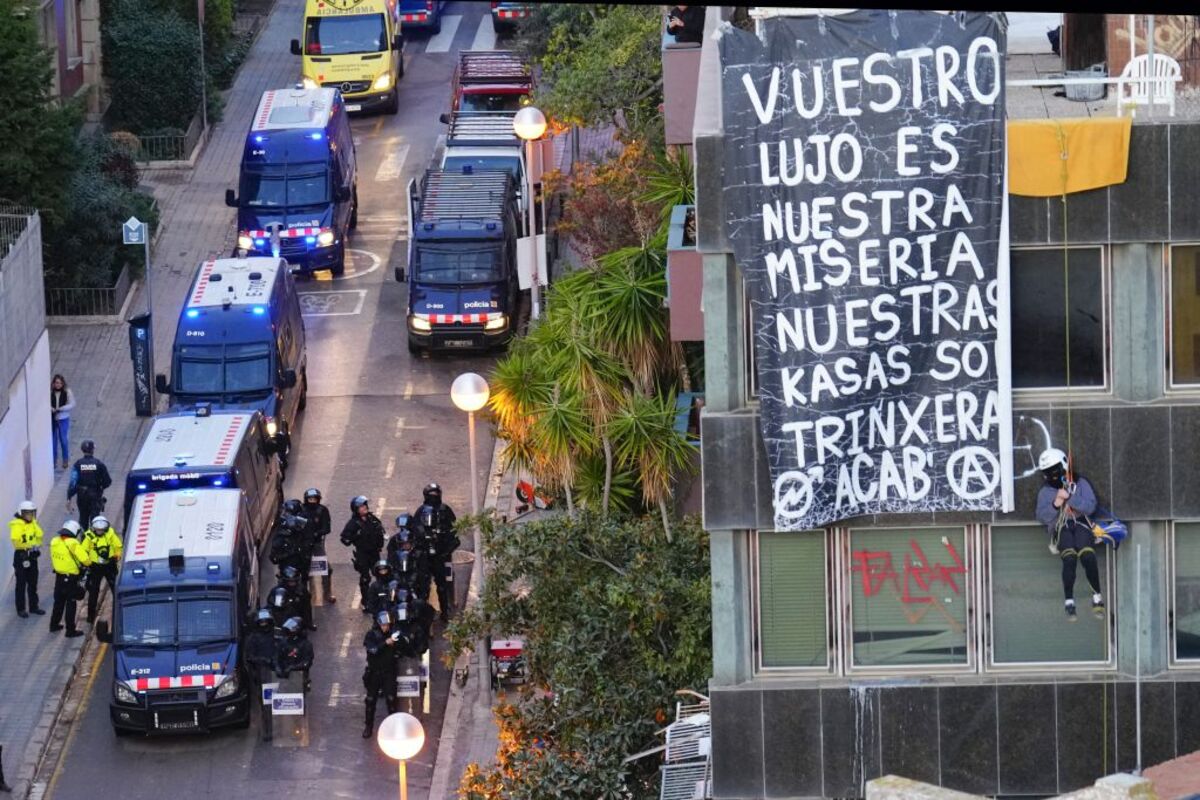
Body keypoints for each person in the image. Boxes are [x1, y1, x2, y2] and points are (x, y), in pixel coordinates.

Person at [1035, 447, 1105, 621]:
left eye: (1055, 471)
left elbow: (1091, 506)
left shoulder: (1080, 483)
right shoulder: (1046, 492)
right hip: (1061, 527)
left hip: (1081, 523)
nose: (1051, 476)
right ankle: (1069, 602)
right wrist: (1056, 503)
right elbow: (1042, 517)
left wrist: (1071, 498)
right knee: (1070, 558)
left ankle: (1097, 597)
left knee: (1087, 555)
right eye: (1047, 473)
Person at [412, 483, 460, 622]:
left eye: (436, 495)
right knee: (423, 586)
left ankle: (445, 611)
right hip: (426, 557)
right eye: (431, 495)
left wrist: (447, 550)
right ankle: (424, 614)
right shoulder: (421, 511)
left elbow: (454, 531)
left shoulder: (445, 510)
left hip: (441, 555)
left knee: (443, 585)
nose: (434, 498)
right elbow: (415, 530)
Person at [362, 609, 404, 738]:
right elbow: (373, 650)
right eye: (383, 625)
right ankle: (369, 726)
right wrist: (385, 644)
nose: (386, 627)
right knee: (370, 700)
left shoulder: (393, 635)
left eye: (387, 625)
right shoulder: (371, 635)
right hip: (374, 672)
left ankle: (393, 726)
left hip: (389, 672)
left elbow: (401, 649)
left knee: (391, 700)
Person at [341, 495, 385, 613]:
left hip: (374, 553)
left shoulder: (371, 518)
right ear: (356, 509)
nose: (364, 508)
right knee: (365, 579)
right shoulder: (353, 523)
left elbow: (380, 529)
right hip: (363, 554)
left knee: (381, 575)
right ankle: (366, 603)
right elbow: (345, 539)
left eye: (365, 505)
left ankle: (382, 599)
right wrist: (355, 537)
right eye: (361, 507)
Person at [49, 519, 92, 637]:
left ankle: (54, 625)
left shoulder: (54, 541)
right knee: (71, 603)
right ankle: (70, 630)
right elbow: (86, 560)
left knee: (58, 602)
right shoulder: (73, 543)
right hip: (71, 578)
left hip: (59, 577)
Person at [244, 608, 278, 742]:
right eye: (261, 623)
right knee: (266, 704)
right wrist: (264, 661)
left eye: (266, 622)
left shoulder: (277, 635)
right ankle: (268, 730)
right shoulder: (253, 639)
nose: (264, 625)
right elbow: (250, 657)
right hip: (262, 674)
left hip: (278, 672)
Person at [81, 515, 122, 625]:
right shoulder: (89, 537)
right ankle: (90, 616)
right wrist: (87, 563)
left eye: (101, 529)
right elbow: (83, 550)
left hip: (110, 565)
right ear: (94, 528)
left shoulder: (110, 534)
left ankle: (121, 609)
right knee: (93, 592)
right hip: (95, 567)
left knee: (116, 588)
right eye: (97, 530)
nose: (99, 531)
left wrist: (117, 556)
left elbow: (118, 546)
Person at [67, 440, 112, 535]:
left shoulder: (78, 464)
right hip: (95, 496)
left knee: (83, 519)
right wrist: (100, 487)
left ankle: (84, 542)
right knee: (95, 520)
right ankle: (94, 540)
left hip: (82, 496)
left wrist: (69, 497)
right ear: (92, 450)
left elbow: (73, 482)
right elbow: (108, 481)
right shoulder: (99, 464)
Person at [11, 500, 46, 618]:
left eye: (32, 513)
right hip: (21, 556)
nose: (30, 515)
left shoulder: (33, 523)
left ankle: (33, 607)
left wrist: (35, 547)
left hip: (32, 555)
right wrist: (29, 546)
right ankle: (21, 609)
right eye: (27, 513)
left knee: (33, 582)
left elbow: (39, 535)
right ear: (21, 513)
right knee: (21, 584)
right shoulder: (17, 524)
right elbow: (16, 541)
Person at [303, 487, 335, 603]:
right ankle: (309, 594)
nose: (312, 501)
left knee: (326, 569)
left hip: (317, 544)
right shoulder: (302, 510)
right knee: (305, 570)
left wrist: (316, 534)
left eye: (314, 499)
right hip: (304, 544)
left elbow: (327, 528)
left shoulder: (322, 510)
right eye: (310, 499)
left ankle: (327, 593)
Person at [270, 501, 313, 580]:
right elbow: (274, 556)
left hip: (300, 563)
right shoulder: (282, 531)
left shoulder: (303, 525)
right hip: (287, 565)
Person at [274, 616, 314, 694]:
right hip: (284, 677)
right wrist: (277, 667)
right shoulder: (283, 642)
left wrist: (293, 668)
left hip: (299, 677)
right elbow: (277, 656)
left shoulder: (306, 644)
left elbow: (307, 662)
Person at [268, 566, 313, 631]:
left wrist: (308, 622)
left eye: (294, 581)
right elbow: (269, 604)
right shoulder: (277, 590)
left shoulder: (302, 591)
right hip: (279, 616)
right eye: (290, 581)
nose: (292, 583)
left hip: (295, 618)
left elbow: (307, 608)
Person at [50, 374, 75, 471]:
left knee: (63, 440)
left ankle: (65, 459)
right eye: (56, 383)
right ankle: (53, 461)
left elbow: (72, 404)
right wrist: (52, 409)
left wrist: (62, 408)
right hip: (53, 418)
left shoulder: (67, 392)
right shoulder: (50, 392)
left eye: (60, 383)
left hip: (63, 418)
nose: (58, 385)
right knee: (53, 441)